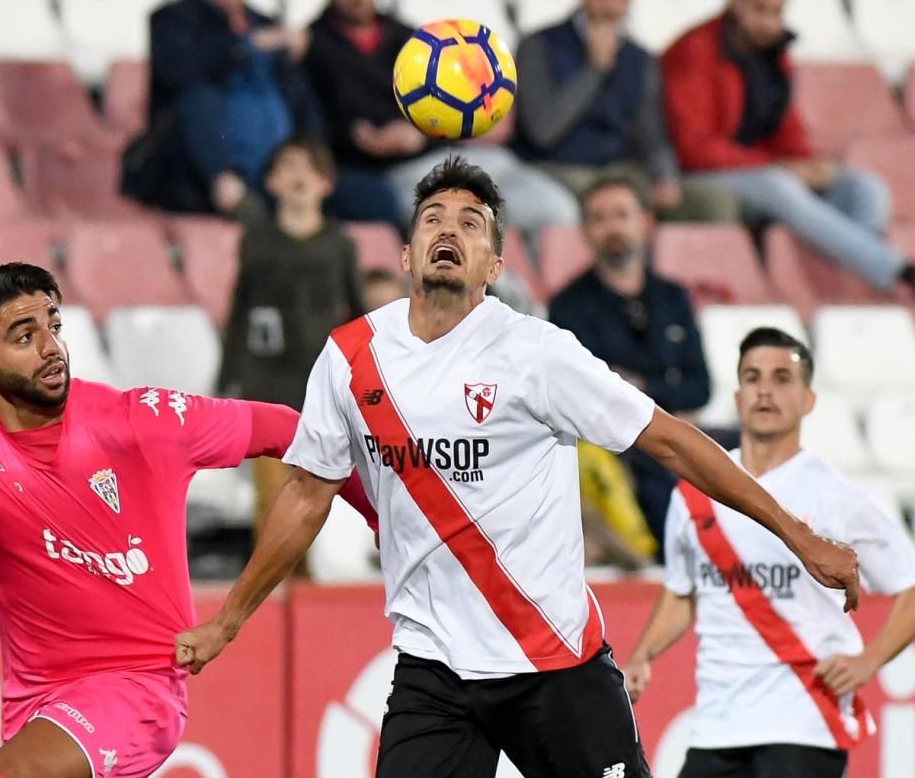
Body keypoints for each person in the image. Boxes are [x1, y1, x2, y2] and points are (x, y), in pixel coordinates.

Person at [174, 156, 860, 778]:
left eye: (472, 223)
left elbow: (671, 441)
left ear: (494, 266)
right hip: (435, 671)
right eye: (433, 218)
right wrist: (229, 618)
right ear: (408, 254)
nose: (450, 228)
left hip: (554, 663)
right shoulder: (351, 357)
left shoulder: (536, 354)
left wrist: (797, 535)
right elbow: (305, 493)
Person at [0, 263, 373, 778]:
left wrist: (384, 520)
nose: (51, 348)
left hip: (138, 691)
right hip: (37, 704)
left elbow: (293, 430)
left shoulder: (140, 420)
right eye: (24, 337)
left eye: (53, 326)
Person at [623, 328, 915, 778]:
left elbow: (909, 585)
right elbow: (684, 593)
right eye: (753, 377)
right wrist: (643, 654)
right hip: (716, 725)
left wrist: (869, 661)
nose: (765, 389)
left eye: (782, 378)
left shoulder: (836, 497)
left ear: (809, 400)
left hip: (804, 721)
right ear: (738, 398)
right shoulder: (696, 494)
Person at [661, 0, 915, 295]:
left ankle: (843, 299)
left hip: (762, 170)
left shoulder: (773, 54)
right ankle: (897, 271)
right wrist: (777, 166)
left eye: (776, 11)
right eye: (759, 8)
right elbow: (693, 148)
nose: (767, 22)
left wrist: (808, 165)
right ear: (736, 2)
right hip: (700, 175)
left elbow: (785, 125)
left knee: (865, 189)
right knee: (780, 186)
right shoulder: (693, 50)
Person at [303, 0, 579, 241]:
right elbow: (318, 122)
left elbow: (451, 101)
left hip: (455, 153)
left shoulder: (411, 38)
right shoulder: (313, 46)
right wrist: (363, 138)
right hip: (391, 173)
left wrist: (420, 133)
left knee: (558, 210)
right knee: (475, 217)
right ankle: (499, 285)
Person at [217, 137, 366, 544]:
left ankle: (312, 590)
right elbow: (240, 311)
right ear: (271, 181)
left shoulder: (339, 245)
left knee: (319, 499)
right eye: (289, 166)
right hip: (268, 386)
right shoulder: (257, 241)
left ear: (326, 183)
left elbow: (358, 317)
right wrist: (228, 379)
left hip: (323, 390)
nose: (299, 175)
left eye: (309, 167)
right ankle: (277, 591)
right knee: (273, 501)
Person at [550, 176, 712, 545]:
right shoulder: (569, 306)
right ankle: (672, 568)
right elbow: (594, 397)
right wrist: (666, 396)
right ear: (585, 231)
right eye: (599, 218)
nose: (613, 228)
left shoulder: (673, 296)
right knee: (659, 473)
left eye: (622, 215)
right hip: (623, 443)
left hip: (681, 433)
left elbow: (700, 387)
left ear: (646, 223)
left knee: (745, 454)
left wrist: (641, 386)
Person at [514, 0, 737, 224]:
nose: (611, 7)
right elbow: (542, 130)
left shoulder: (639, 59)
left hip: (623, 174)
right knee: (616, 201)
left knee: (712, 203)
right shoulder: (538, 45)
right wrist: (594, 70)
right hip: (556, 169)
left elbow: (651, 135)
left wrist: (664, 176)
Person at [121, 0, 324, 217]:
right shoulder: (172, 19)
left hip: (273, 171)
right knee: (198, 97)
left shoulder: (268, 24)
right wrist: (246, 44)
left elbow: (302, 98)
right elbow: (177, 72)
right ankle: (230, 192)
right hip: (197, 177)